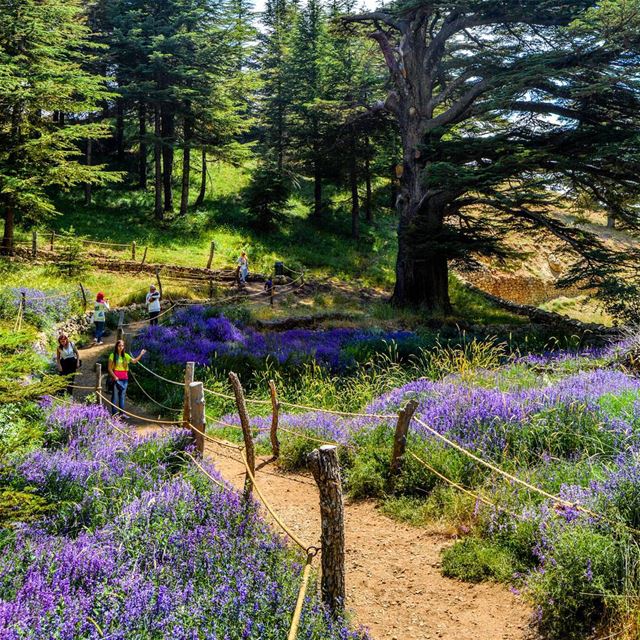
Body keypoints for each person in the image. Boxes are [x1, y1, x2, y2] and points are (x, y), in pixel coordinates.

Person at [107, 339, 146, 417]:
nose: (121, 347)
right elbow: (109, 368)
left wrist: (141, 354)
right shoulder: (113, 355)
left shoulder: (126, 355)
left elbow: (134, 361)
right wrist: (115, 377)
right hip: (116, 379)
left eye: (122, 345)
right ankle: (114, 414)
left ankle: (122, 414)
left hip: (125, 379)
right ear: (116, 346)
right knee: (115, 397)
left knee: (122, 397)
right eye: (119, 346)